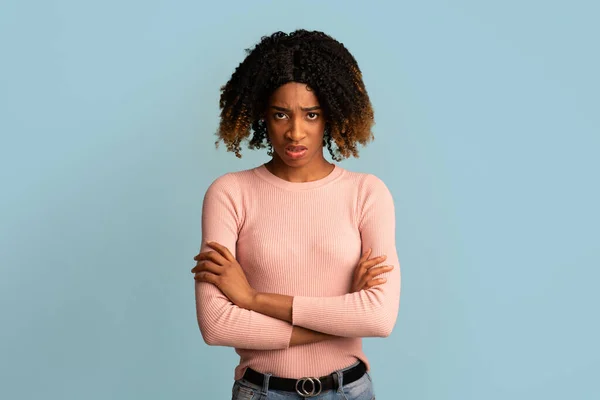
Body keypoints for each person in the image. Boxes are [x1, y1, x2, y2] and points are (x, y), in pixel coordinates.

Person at [191, 29, 401, 400]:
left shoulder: (367, 193)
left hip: (348, 391)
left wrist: (253, 300)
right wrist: (340, 316)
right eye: (281, 115)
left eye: (311, 114)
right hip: (262, 392)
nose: (295, 132)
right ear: (262, 116)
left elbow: (379, 318)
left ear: (331, 116)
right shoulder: (229, 194)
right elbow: (218, 325)